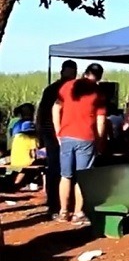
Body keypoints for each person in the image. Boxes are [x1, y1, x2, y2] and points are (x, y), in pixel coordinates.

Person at [52, 63, 106, 226]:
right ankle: (78, 213)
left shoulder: (68, 86)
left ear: (85, 72)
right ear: (99, 76)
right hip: (86, 138)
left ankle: (63, 212)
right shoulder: (98, 93)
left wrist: (58, 131)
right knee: (83, 177)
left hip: (66, 135)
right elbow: (100, 121)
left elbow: (56, 108)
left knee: (66, 175)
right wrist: (99, 140)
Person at [36, 59, 77, 218]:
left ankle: (59, 203)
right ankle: (55, 203)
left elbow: (40, 113)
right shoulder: (59, 90)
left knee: (60, 168)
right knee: (57, 168)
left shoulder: (57, 89)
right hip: (55, 134)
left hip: (59, 133)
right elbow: (42, 112)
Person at [9, 121, 40, 188]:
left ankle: (14, 183)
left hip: (14, 161)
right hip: (25, 163)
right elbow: (34, 154)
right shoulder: (32, 138)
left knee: (21, 168)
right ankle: (19, 184)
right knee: (37, 166)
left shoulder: (17, 137)